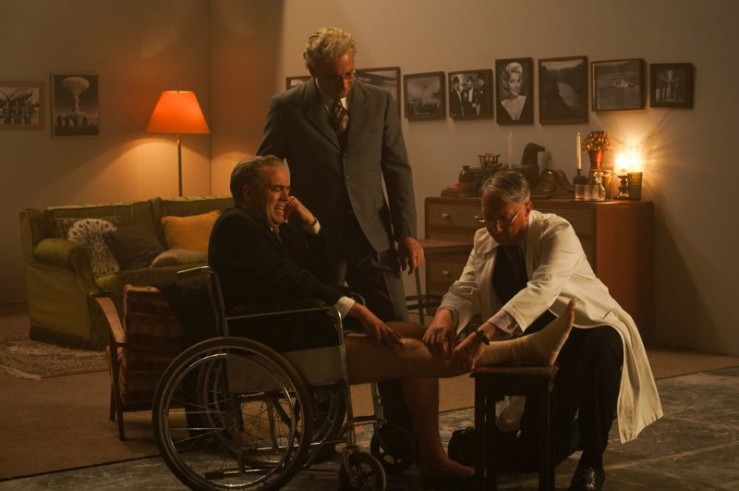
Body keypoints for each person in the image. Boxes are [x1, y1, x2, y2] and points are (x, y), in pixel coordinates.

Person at [209, 155, 578, 483]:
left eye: (288, 189)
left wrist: (310, 224)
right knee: (408, 351)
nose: (286, 198)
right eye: (277, 189)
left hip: (310, 327)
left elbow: (326, 270)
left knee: (424, 334)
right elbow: (292, 280)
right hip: (281, 341)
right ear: (247, 193)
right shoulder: (236, 226)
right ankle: (520, 350)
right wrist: (357, 310)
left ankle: (433, 457)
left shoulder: (276, 228)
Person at [423, 170, 663, 491]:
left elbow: (542, 289)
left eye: (505, 219)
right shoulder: (485, 240)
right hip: (534, 338)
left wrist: (482, 336)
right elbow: (466, 288)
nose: (496, 228)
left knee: (602, 347)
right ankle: (571, 432)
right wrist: (443, 317)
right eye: (488, 218)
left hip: (586, 328)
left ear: (528, 208)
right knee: (539, 454)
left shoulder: (557, 232)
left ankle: (593, 460)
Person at [257, 26, 423, 436]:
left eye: (350, 74)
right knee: (323, 340)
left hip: (374, 238)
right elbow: (266, 171)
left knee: (395, 331)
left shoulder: (380, 101)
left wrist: (407, 232)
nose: (344, 84)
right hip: (316, 240)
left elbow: (397, 169)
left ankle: (402, 430)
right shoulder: (287, 107)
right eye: (334, 77)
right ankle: (326, 433)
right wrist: (279, 217)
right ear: (311, 69)